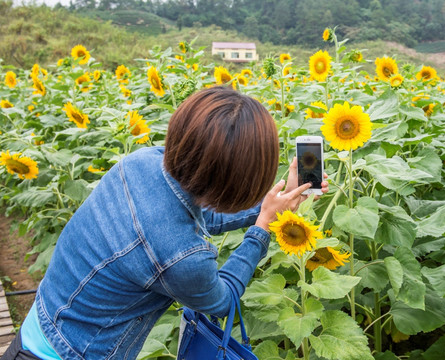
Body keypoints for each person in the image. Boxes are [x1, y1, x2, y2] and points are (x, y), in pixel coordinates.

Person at [1, 86, 328, 360]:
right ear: (236, 184)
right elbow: (224, 300)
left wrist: (278, 201)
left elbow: (200, 209)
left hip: (44, 323)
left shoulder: (141, 162)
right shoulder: (182, 257)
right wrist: (262, 228)